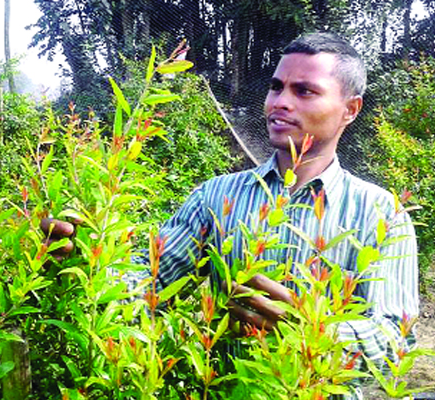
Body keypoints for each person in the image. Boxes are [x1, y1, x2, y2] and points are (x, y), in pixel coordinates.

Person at [43, 32, 419, 399]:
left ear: (350, 110)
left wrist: (311, 329)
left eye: (304, 91)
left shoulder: (382, 214)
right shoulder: (217, 196)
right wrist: (86, 261)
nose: (279, 102)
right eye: (276, 87)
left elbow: (395, 340)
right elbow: (151, 280)